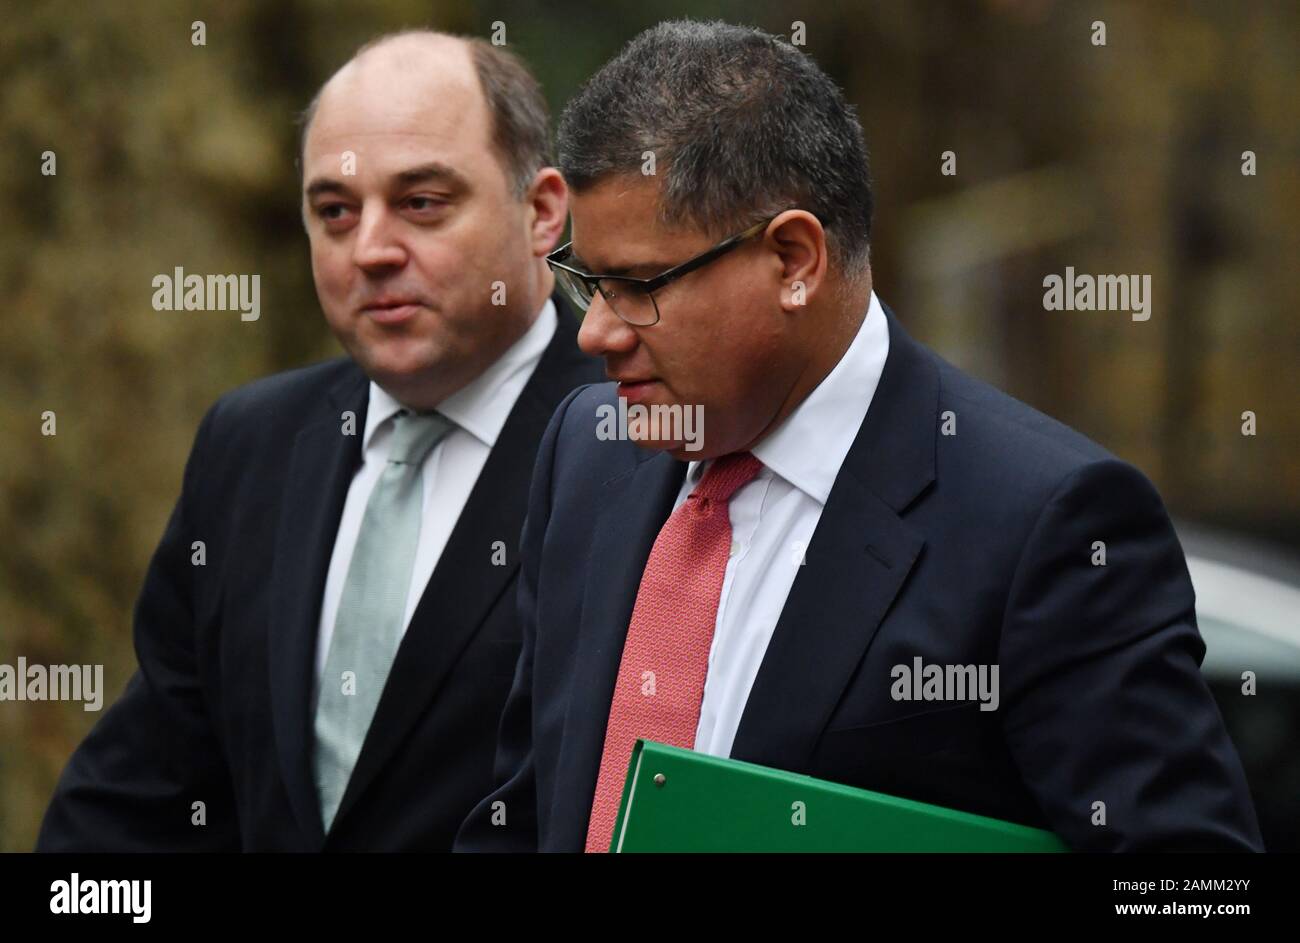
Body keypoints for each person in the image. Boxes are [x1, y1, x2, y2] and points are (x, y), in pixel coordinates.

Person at [455, 20, 1263, 852]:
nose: (594, 335)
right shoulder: (586, 450)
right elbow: (526, 809)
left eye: (636, 286)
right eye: (588, 283)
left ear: (795, 260)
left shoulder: (1047, 523)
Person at [37, 30, 601, 851]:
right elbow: (138, 800)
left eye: (422, 202)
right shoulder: (251, 444)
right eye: (335, 211)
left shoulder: (643, 450)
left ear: (542, 211)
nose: (369, 250)